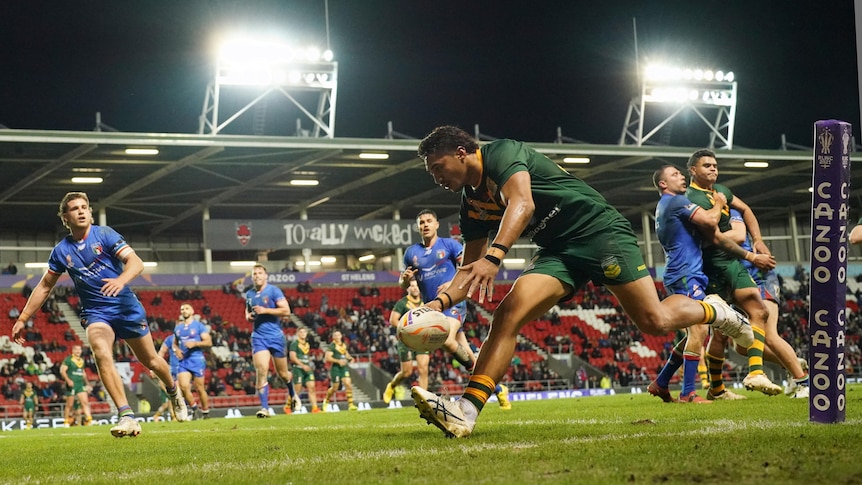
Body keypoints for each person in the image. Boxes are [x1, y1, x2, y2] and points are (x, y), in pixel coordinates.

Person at [409, 126, 753, 438]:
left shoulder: (500, 152)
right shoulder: (470, 203)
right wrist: (434, 306)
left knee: (655, 321)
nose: (436, 177)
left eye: (438, 167)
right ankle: (466, 412)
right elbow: (468, 270)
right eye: (430, 172)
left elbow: (523, 203)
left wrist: (495, 255)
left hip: (598, 231)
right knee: (506, 316)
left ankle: (714, 310)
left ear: (460, 153)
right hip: (557, 250)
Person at [10, 192, 188, 438]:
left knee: (152, 362)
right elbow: (44, 286)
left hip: (126, 308)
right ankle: (126, 415)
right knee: (101, 352)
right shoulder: (61, 251)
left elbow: (136, 262)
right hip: (96, 313)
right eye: (75, 208)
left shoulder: (105, 234)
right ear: (65, 218)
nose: (81, 211)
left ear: (90, 212)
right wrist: (22, 318)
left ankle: (173, 390)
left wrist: (121, 280)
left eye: (85, 207)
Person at [648, 165, 775, 403]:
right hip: (685, 274)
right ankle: (688, 393)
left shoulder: (668, 204)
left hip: (686, 273)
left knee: (693, 332)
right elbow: (709, 221)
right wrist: (717, 203)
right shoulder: (674, 202)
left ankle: (661, 382)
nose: (681, 176)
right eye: (675, 174)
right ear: (663, 184)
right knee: (699, 329)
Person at [685, 149, 783, 397]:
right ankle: (717, 388)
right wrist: (751, 255)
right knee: (720, 331)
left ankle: (755, 373)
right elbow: (713, 237)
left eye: (715, 165)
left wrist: (757, 240)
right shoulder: (690, 197)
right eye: (707, 165)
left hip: (732, 261)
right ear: (693, 170)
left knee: (758, 311)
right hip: (712, 266)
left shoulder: (722, 190)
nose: (713, 169)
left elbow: (746, 209)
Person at [400, 208, 511, 410]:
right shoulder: (411, 253)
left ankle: (476, 374)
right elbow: (403, 284)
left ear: (436, 224)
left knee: (446, 339)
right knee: (467, 353)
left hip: (452, 303)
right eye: (421, 222)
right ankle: (498, 389)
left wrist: (452, 283)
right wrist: (405, 281)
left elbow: (468, 267)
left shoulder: (449, 245)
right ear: (418, 227)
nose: (425, 224)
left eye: (428, 221)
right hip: (430, 309)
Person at [727, 208, 809, 398]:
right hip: (737, 282)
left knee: (769, 334)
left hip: (758, 276)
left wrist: (756, 240)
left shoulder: (726, 208)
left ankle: (804, 382)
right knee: (740, 346)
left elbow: (741, 226)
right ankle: (794, 363)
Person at [245, 263, 296, 418]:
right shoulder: (249, 294)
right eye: (255, 274)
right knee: (261, 369)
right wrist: (249, 316)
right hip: (259, 337)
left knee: (283, 374)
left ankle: (293, 394)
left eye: (260, 273)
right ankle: (264, 408)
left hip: (275, 337)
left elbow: (286, 311)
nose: (257, 276)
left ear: (265, 275)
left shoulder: (274, 291)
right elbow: (247, 313)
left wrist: (265, 310)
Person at [383, 278, 428, 403]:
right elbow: (393, 320)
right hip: (406, 339)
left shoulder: (425, 301)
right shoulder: (402, 303)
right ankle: (392, 385)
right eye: (412, 286)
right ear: (407, 288)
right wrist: (407, 331)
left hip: (421, 339)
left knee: (423, 369)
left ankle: (423, 399)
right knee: (407, 372)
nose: (414, 288)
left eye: (416, 286)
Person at [174, 303, 212, 419]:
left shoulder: (199, 326)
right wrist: (176, 350)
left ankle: (206, 412)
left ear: (192, 311)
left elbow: (208, 342)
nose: (184, 311)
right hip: (184, 361)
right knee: (184, 386)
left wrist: (195, 343)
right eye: (182, 309)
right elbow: (174, 343)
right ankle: (195, 409)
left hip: (196, 359)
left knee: (200, 388)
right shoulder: (178, 328)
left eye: (186, 308)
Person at [322, 329, 357, 411]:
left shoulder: (344, 345)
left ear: (341, 336)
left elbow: (346, 354)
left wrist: (350, 358)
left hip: (343, 368)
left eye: (338, 335)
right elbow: (327, 357)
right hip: (335, 368)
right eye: (335, 335)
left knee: (348, 384)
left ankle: (351, 405)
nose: (337, 336)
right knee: (335, 388)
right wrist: (338, 361)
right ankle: (326, 400)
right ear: (333, 337)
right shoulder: (332, 346)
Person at [60, 344, 94, 425]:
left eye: (79, 349)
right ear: (73, 351)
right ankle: (66, 421)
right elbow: (62, 371)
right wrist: (68, 380)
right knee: (70, 404)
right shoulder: (68, 360)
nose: (78, 351)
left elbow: (83, 373)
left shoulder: (82, 361)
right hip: (71, 384)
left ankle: (89, 420)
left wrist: (87, 384)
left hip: (80, 384)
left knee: (85, 402)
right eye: (76, 349)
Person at [289, 327, 321, 413]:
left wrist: (309, 363)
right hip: (298, 368)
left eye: (304, 332)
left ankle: (315, 408)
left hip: (307, 368)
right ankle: (288, 406)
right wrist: (302, 365)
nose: (303, 334)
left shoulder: (307, 344)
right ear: (297, 334)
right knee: (297, 390)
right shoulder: (294, 344)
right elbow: (292, 357)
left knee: (312, 388)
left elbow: (305, 357)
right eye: (301, 332)